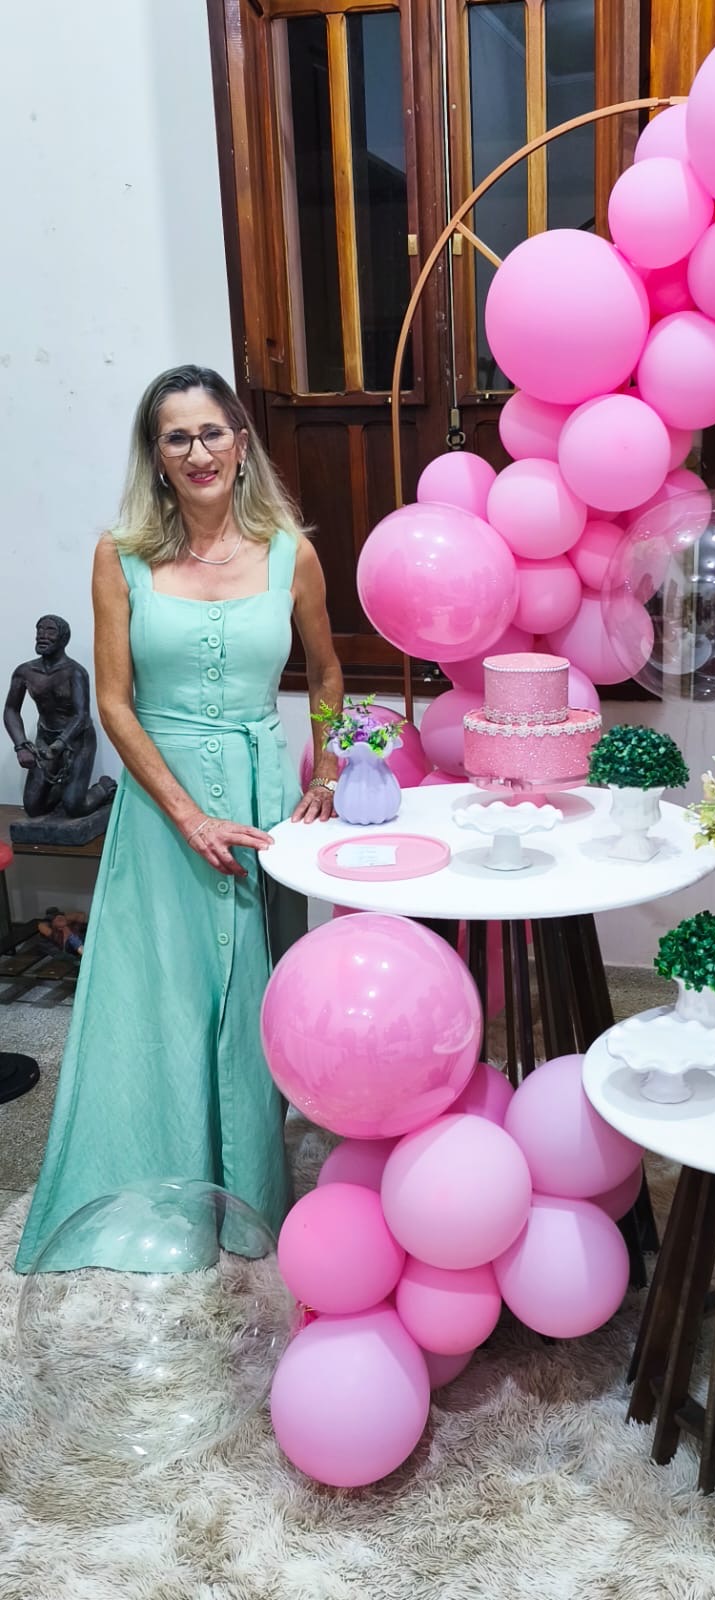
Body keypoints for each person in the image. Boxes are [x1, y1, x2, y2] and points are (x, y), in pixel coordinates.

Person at [15, 364, 343, 1273]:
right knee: (163, 996)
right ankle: (161, 1190)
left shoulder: (290, 552)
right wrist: (191, 818)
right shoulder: (119, 555)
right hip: (165, 809)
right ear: (155, 455)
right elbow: (115, 703)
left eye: (212, 432)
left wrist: (329, 765)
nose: (198, 451)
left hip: (263, 799)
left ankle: (248, 1200)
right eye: (176, 436)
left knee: (255, 996)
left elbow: (325, 672)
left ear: (240, 441)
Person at [4, 614, 117, 820]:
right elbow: (11, 709)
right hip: (45, 739)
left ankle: (104, 787)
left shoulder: (75, 672)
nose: (42, 635)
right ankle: (65, 789)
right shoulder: (25, 672)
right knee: (33, 807)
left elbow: (82, 715)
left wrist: (59, 745)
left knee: (74, 807)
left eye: (50, 631)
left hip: (77, 739)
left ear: (63, 639)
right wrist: (21, 746)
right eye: (39, 630)